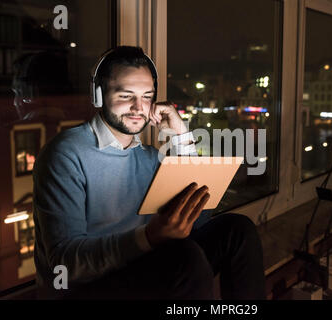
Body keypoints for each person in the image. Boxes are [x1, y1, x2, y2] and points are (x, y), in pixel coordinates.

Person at [33, 46, 266, 300]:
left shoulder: (149, 157)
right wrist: (149, 237)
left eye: (147, 96)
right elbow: (64, 265)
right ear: (98, 95)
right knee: (185, 259)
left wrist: (182, 138)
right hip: (83, 289)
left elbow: (198, 220)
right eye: (125, 95)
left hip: (139, 268)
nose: (138, 107)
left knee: (238, 230)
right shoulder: (64, 154)